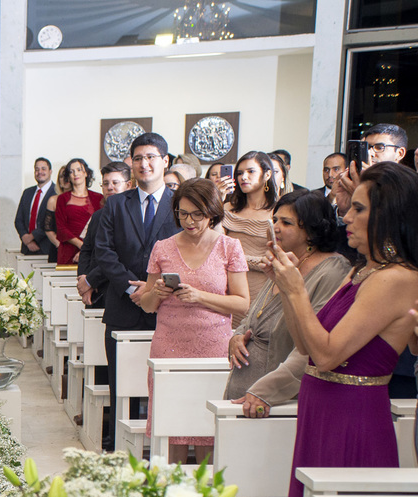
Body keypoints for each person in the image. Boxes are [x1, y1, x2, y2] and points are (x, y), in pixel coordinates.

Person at [269, 161, 418, 497]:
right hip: (324, 409)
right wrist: (289, 288)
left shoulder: (396, 279)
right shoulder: (364, 271)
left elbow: (328, 353)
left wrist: (292, 290)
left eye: (358, 207)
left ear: (387, 216)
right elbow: (307, 347)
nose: (345, 215)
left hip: (354, 420)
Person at [139, 178, 250, 463]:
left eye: (197, 214)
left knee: (207, 427)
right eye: (183, 213)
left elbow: (242, 302)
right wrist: (158, 293)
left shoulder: (229, 247)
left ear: (212, 212)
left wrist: (200, 297)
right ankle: (168, 496)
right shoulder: (162, 248)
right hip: (169, 346)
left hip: (214, 347)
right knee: (171, 425)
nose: (189, 221)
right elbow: (148, 306)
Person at [82, 131, 179, 450]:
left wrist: (153, 288)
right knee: (119, 375)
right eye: (138, 158)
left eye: (151, 157)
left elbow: (185, 249)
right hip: (122, 303)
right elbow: (104, 251)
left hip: (167, 305)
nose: (144, 163)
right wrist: (130, 288)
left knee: (162, 377)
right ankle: (116, 438)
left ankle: (161, 435)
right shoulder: (115, 205)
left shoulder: (179, 202)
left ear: (165, 161)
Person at [226, 190, 350, 402]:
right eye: (274, 220)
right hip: (246, 392)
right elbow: (256, 313)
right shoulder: (285, 261)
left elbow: (311, 344)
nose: (275, 228)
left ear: (311, 230)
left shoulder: (333, 271)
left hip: (280, 401)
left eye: (286, 222)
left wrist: (266, 391)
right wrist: (238, 335)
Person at [221, 151, 277, 324]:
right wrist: (215, 202)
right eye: (239, 173)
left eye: (251, 171)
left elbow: (277, 258)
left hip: (264, 288)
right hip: (230, 290)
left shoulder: (278, 210)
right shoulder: (228, 208)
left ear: (267, 174)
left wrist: (238, 260)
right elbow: (216, 248)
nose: (243, 177)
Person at [76, 161, 131, 309]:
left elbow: (117, 256)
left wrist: (91, 281)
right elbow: (86, 250)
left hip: (116, 289)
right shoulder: (98, 216)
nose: (109, 187)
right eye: (105, 183)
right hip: (94, 292)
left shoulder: (132, 216)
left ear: (128, 185)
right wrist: (83, 279)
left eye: (115, 182)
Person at [54, 158, 103, 265]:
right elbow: (61, 228)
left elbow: (101, 227)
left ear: (86, 173)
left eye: (79, 170)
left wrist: (85, 249)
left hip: (92, 249)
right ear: (69, 177)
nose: (75, 173)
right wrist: (80, 245)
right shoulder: (62, 199)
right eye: (71, 171)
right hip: (68, 250)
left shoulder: (99, 198)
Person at [42, 165, 73, 262]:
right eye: (61, 176)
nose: (64, 179)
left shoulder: (82, 200)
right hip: (58, 248)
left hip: (77, 249)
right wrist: (60, 245)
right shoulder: (53, 200)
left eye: (66, 175)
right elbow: (48, 228)